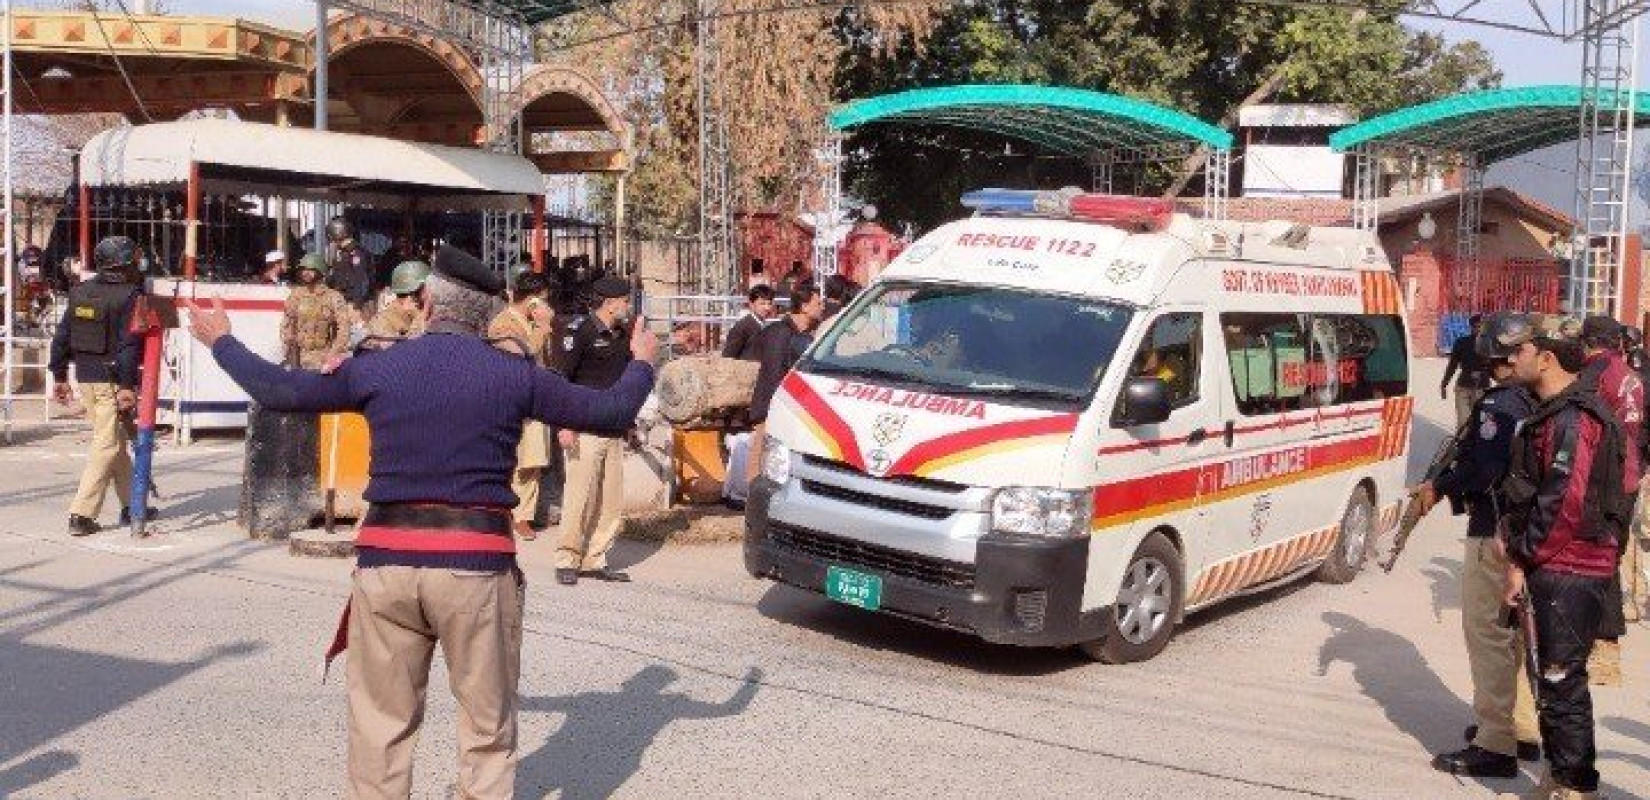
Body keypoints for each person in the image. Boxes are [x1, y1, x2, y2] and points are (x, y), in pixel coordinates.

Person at [187, 254, 655, 800]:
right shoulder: (516, 376)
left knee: (380, 729)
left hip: (387, 565)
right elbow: (610, 412)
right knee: (486, 728)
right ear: (489, 316)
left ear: (428, 303)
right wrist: (642, 363)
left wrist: (222, 340)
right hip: (476, 570)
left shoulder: (378, 367)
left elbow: (280, 391)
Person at [1498, 313, 1629, 800]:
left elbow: (1563, 505)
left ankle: (1574, 785)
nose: (1511, 359)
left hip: (1570, 567)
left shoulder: (1573, 418)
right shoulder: (1556, 412)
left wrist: (1522, 557)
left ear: (1546, 357)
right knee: (1552, 679)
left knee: (1561, 679)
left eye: (1520, 350)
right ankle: (1562, 775)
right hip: (1562, 564)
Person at [1411, 312, 1540, 778]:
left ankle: (1495, 743)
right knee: (1515, 636)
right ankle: (1520, 728)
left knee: (1488, 635)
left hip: (1494, 532)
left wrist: (1440, 485)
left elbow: (1484, 471)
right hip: (1526, 532)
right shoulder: (1536, 398)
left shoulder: (1499, 405)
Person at [48, 236, 149, 536]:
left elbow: (62, 337)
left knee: (115, 441)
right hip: (111, 382)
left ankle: (133, 505)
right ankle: (81, 514)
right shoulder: (130, 296)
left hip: (86, 379)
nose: (138, 266)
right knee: (107, 445)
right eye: (134, 261)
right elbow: (129, 346)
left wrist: (60, 376)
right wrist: (128, 386)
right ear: (124, 264)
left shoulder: (80, 291)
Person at [549, 275, 642, 586]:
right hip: (583, 428)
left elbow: (623, 383)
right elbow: (561, 381)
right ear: (611, 303)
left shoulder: (621, 334)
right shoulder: (579, 332)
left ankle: (595, 558)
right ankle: (567, 558)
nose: (628, 306)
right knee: (580, 497)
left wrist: (629, 423)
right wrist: (564, 424)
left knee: (610, 501)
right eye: (625, 301)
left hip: (612, 428)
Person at [1576, 315, 1643, 682]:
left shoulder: (1596, 372)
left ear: (1588, 342)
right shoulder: (1631, 374)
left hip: (1604, 478)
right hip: (1628, 474)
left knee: (1600, 559)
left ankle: (1605, 647)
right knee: (1611, 555)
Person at [488, 269, 555, 540]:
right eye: (543, 300)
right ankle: (510, 513)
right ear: (532, 300)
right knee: (514, 460)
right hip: (512, 400)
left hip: (536, 399)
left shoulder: (531, 323)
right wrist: (542, 327)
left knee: (533, 461)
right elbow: (524, 356)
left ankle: (524, 514)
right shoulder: (503, 325)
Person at [744, 284, 827, 487]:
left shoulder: (803, 336)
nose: (822, 307)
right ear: (804, 307)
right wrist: (774, 411)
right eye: (818, 303)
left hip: (789, 411)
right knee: (760, 463)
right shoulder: (780, 333)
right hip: (771, 410)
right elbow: (771, 375)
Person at [280, 253, 353, 371]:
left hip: (324, 357)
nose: (306, 273)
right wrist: (288, 350)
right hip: (300, 358)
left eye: (311, 270)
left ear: (320, 271)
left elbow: (344, 329)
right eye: (304, 269)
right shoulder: (296, 295)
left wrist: (333, 354)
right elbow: (287, 324)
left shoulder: (333, 297)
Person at [1443, 314, 1491, 428]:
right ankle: (1462, 439)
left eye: (1481, 327)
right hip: (1463, 387)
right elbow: (1452, 365)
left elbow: (1497, 367)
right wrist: (1444, 383)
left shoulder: (1490, 344)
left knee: (1480, 422)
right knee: (1463, 422)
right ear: (1471, 327)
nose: (1478, 329)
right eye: (1476, 326)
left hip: (1482, 389)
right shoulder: (1461, 342)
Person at [365, 260, 431, 343]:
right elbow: (412, 347)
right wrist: (421, 316)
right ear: (412, 296)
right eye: (428, 289)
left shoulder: (426, 313)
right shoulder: (382, 323)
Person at [325, 217, 375, 313]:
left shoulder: (356, 253)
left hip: (353, 303)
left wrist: (357, 304)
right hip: (344, 301)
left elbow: (361, 280)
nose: (331, 242)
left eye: (331, 238)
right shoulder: (343, 253)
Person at [721, 284, 776, 361]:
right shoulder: (742, 328)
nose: (767, 308)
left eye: (769, 304)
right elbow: (727, 357)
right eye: (762, 303)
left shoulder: (766, 326)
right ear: (751, 304)